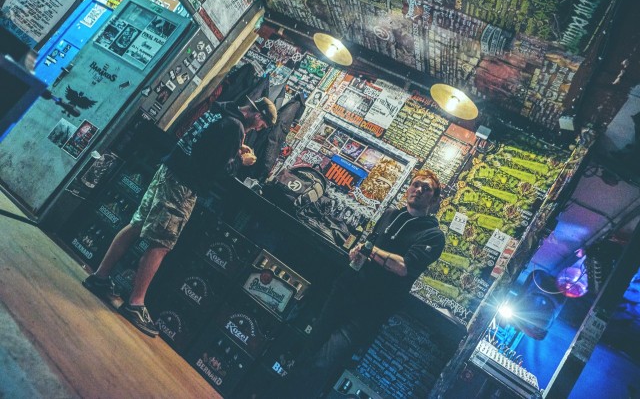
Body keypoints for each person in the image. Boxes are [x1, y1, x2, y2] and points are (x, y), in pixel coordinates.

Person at [82, 97, 277, 337]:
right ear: (258, 115)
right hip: (183, 185)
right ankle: (135, 303)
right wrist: (240, 160)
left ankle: (100, 277)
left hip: (168, 171)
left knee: (137, 225)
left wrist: (233, 150)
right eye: (263, 125)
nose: (260, 129)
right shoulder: (235, 127)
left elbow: (204, 147)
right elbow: (216, 169)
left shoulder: (221, 110)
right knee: (161, 243)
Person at [277, 169, 445, 398]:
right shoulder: (390, 214)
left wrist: (369, 250)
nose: (419, 190)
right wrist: (358, 253)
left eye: (426, 189)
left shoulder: (433, 235)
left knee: (324, 362)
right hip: (344, 292)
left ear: (434, 200)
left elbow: (404, 267)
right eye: (416, 184)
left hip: (369, 310)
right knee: (309, 349)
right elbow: (368, 245)